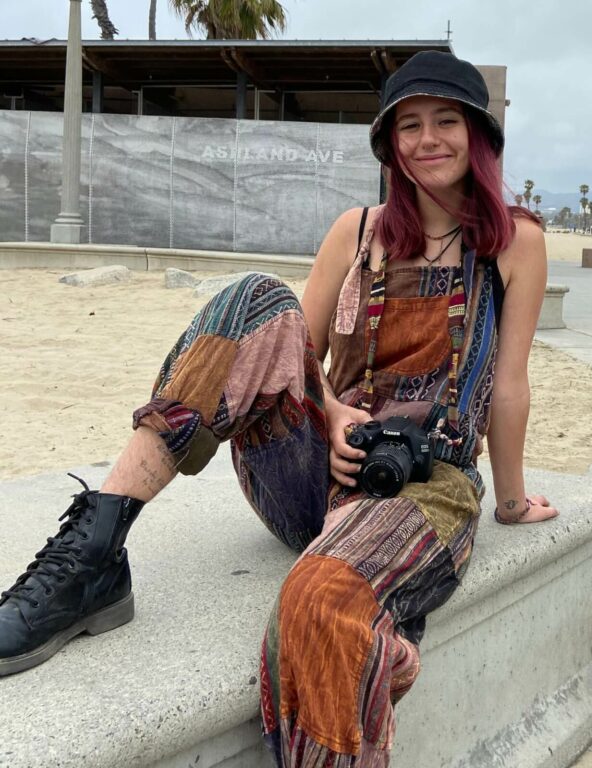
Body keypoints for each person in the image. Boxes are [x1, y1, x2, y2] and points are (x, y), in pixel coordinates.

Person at [0, 51, 558, 765]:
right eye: (408, 125)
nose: (427, 139)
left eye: (446, 120)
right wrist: (328, 417)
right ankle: (92, 554)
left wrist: (509, 503)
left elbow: (509, 385)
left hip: (425, 490)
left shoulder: (515, 244)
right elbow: (299, 355)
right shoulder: (356, 232)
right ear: (389, 144)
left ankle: (368, 649)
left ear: (478, 135)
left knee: (319, 602)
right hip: (311, 476)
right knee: (259, 298)